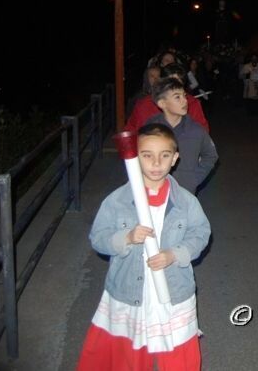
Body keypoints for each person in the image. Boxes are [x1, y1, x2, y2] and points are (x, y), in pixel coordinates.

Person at [77, 123, 211, 369]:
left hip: (173, 289)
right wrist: (126, 237)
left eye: (164, 156)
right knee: (129, 352)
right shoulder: (117, 201)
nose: (156, 163)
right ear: (134, 158)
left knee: (178, 351)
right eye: (147, 156)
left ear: (175, 159)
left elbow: (201, 233)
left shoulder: (186, 202)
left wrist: (175, 254)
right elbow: (98, 237)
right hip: (130, 290)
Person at [148, 78, 218, 194]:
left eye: (184, 96)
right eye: (177, 97)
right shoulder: (150, 129)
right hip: (155, 190)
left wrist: (194, 179)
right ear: (162, 103)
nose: (185, 101)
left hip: (185, 192)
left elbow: (211, 155)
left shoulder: (196, 130)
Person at [125, 64, 210, 134]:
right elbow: (130, 131)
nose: (174, 89)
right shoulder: (144, 104)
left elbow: (202, 132)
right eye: (170, 84)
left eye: (178, 85)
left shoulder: (191, 103)